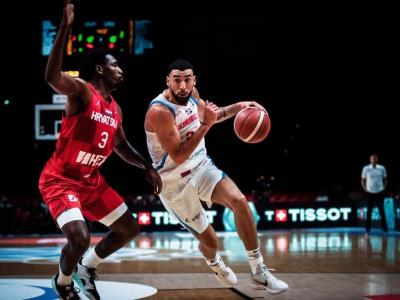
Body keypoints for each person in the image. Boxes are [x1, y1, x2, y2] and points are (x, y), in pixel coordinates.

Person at [39, 1, 162, 299]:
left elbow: (120, 146)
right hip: (61, 178)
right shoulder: (82, 91)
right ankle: (64, 282)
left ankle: (87, 267)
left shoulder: (115, 108)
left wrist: (145, 166)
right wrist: (65, 28)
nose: (120, 70)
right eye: (114, 64)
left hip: (91, 180)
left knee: (129, 229)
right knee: (79, 238)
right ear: (99, 69)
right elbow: (51, 77)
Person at [144, 59, 288, 294]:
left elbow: (214, 114)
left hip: (201, 166)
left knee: (240, 202)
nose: (182, 85)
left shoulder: (192, 95)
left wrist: (238, 107)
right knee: (210, 242)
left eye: (187, 79)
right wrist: (205, 126)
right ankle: (214, 263)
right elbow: (179, 155)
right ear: (167, 81)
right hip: (174, 184)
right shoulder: (159, 111)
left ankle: (259, 271)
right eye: (177, 79)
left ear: (194, 81)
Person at [361, 153, 388, 235]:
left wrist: (384, 188)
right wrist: (364, 188)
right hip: (369, 193)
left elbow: (385, 179)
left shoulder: (382, 168)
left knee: (381, 211)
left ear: (377, 160)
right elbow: (362, 180)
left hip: (379, 192)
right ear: (370, 160)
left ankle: (385, 230)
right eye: (372, 159)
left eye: (375, 158)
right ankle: (367, 230)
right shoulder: (366, 168)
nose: (373, 160)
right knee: (369, 212)